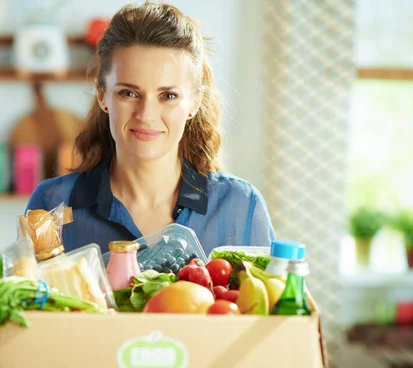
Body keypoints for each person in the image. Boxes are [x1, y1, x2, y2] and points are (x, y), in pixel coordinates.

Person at [26, 1, 275, 255]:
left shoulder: (240, 206)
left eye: (168, 96)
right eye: (129, 93)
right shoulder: (51, 204)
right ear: (102, 95)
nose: (146, 115)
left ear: (194, 103)